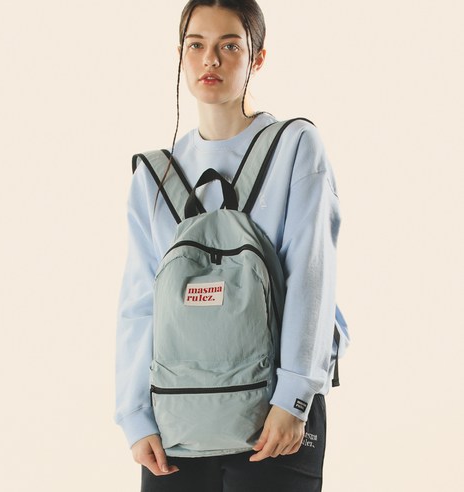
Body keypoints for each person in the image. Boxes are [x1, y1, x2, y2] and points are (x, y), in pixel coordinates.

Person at [114, 1, 342, 491]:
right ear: (180, 55)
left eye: (229, 46)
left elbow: (311, 276)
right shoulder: (154, 175)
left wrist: (295, 395)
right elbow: (140, 302)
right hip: (176, 414)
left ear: (258, 57)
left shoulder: (295, 146)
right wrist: (134, 415)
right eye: (196, 45)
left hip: (274, 413)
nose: (210, 60)